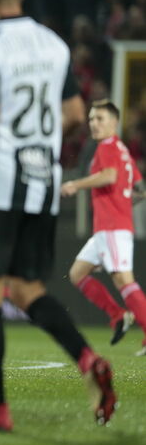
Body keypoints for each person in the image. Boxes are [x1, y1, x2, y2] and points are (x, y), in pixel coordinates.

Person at [0, 0, 115, 433]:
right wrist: (39, 142)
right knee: (26, 288)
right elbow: (77, 114)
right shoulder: (57, 46)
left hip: (1, 178)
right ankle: (87, 360)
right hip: (42, 182)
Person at [61, 99, 146, 354]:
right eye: (91, 119)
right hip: (108, 228)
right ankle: (118, 315)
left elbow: (109, 176)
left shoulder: (108, 147)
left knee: (123, 279)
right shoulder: (123, 151)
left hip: (111, 227)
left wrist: (76, 184)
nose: (94, 124)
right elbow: (140, 190)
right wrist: (122, 201)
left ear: (114, 122)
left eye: (100, 119)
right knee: (77, 273)